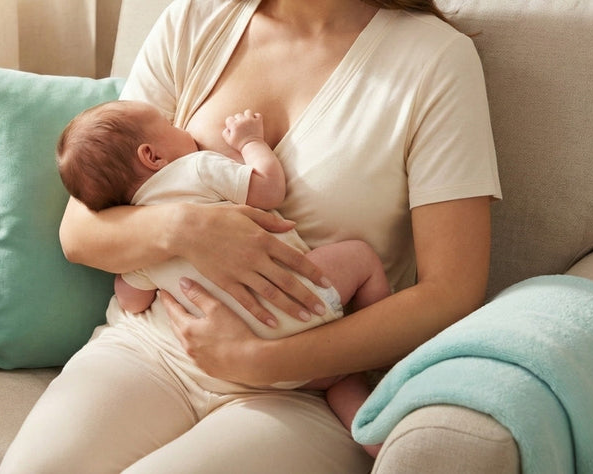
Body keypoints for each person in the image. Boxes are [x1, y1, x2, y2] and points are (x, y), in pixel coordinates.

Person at [0, 0, 499, 473]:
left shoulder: (433, 63)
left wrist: (266, 358)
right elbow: (80, 230)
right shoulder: (194, 24)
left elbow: (450, 293)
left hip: (302, 392)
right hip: (152, 347)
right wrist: (189, 228)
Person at [56, 99, 391, 455]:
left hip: (228, 357)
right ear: (152, 156)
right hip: (299, 303)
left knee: (335, 380)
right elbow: (268, 189)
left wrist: (134, 274)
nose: (183, 129)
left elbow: (132, 301)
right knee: (361, 257)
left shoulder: (140, 238)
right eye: (171, 127)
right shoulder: (196, 169)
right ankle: (381, 376)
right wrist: (251, 143)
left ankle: (367, 428)